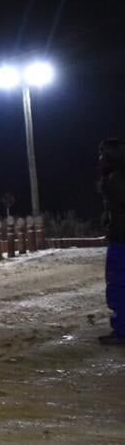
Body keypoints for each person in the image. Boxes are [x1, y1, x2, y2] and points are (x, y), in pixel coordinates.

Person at [98, 138, 125, 346]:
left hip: (121, 240)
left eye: (102, 154)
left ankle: (122, 330)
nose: (100, 159)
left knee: (117, 284)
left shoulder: (116, 178)